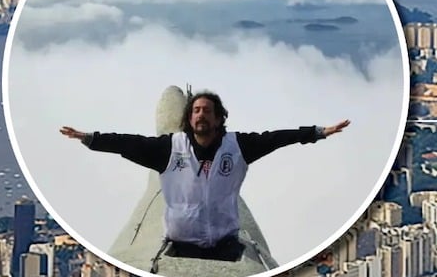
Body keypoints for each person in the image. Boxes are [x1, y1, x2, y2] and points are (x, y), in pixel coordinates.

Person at [61, 90, 349, 267]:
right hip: (180, 243)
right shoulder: (170, 148)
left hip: (225, 242)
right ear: (188, 119)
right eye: (196, 111)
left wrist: (318, 132)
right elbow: (127, 143)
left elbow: (277, 138)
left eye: (207, 112)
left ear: (219, 119)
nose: (201, 116)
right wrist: (89, 138)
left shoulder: (237, 147)